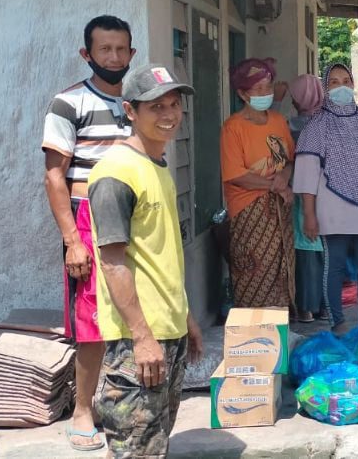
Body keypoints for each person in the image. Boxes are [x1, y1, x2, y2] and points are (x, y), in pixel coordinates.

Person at [89, 64, 204, 457]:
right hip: (137, 338)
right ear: (130, 111)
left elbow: (161, 255)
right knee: (134, 447)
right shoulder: (116, 172)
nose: (169, 114)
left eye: (175, 104)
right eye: (156, 107)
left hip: (165, 329)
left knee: (154, 444)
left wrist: (184, 316)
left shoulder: (157, 168)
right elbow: (112, 262)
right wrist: (141, 336)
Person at [41, 14, 136, 452]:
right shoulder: (68, 103)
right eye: (105, 49)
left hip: (135, 217)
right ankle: (83, 410)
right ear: (87, 54)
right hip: (87, 219)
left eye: (121, 50)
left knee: (137, 310)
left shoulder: (139, 104)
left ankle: (124, 404)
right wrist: (72, 240)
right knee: (92, 321)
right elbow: (54, 177)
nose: (113, 57)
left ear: (131, 54)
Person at [294, 64, 358, 334]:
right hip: (331, 210)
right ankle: (338, 321)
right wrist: (310, 215)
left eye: (346, 80)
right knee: (333, 267)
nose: (342, 86)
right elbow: (306, 174)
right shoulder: (317, 125)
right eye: (334, 82)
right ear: (326, 88)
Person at [220, 58, 295, 309]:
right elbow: (235, 175)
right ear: (242, 93)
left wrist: (284, 178)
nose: (266, 93)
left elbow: (289, 161)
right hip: (250, 214)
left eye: (269, 86)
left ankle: (279, 334)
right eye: (258, 88)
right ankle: (253, 337)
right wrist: (276, 185)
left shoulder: (278, 121)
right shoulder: (233, 127)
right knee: (254, 274)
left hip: (280, 209)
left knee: (281, 271)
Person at [288, 73, 328, 322]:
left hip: (302, 195)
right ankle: (322, 306)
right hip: (326, 195)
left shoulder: (292, 126)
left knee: (305, 252)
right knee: (322, 252)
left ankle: (306, 308)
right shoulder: (328, 123)